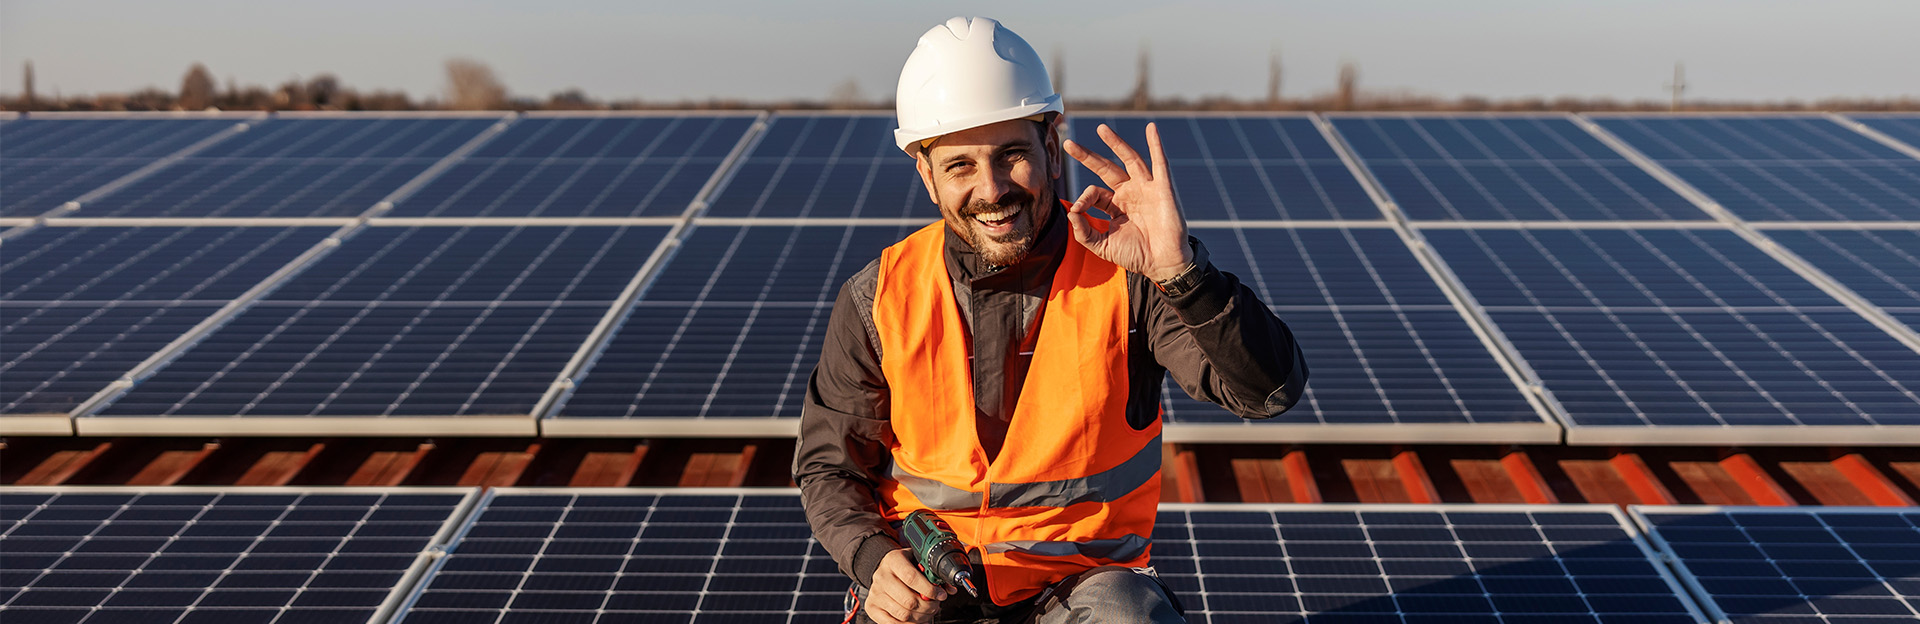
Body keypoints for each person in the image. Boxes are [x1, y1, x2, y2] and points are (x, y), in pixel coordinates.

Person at [794, 16, 1308, 624]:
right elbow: (830, 467)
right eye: (960, 166)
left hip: (1083, 592)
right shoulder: (878, 298)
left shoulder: (1129, 275)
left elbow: (1268, 392)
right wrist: (874, 561)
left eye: (1011, 155)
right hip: (929, 587)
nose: (991, 190)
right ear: (926, 175)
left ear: (1050, 146)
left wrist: (1181, 272)